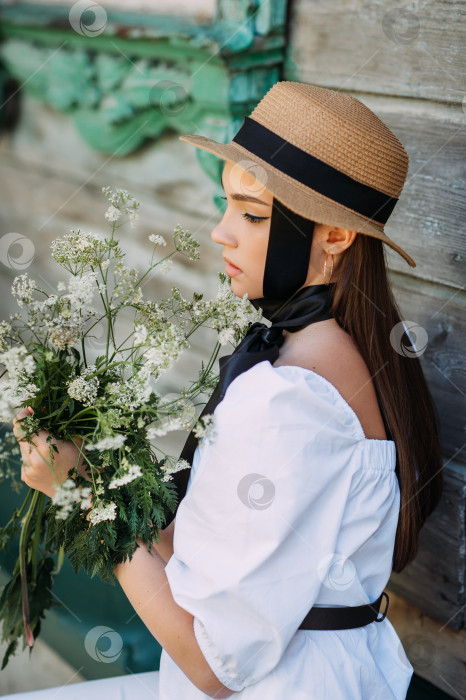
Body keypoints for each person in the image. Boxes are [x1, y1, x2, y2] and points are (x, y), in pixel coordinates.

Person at [9, 81, 443, 699]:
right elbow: (205, 550)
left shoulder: (290, 398)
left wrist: (80, 493)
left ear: (336, 237)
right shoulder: (328, 354)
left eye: (253, 214)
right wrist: (99, 468)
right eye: (227, 205)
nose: (220, 232)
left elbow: (215, 664)